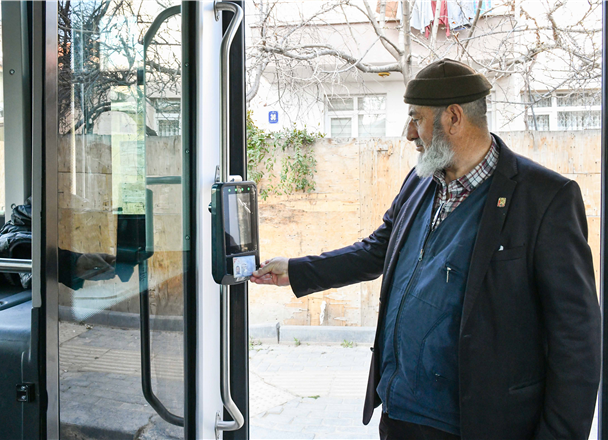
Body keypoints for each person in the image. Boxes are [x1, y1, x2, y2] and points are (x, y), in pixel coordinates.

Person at [251, 59, 600, 439]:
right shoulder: (420, 183)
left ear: (453, 118)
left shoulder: (545, 198)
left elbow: (577, 339)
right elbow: (376, 250)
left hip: (477, 426)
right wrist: (296, 270)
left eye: (416, 119)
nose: (408, 133)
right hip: (399, 416)